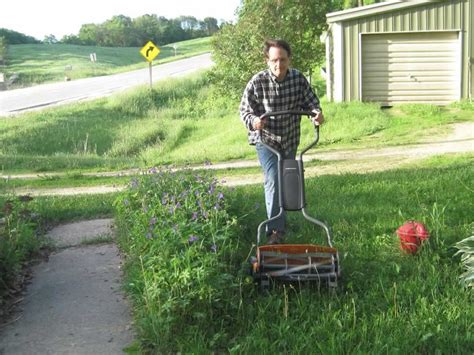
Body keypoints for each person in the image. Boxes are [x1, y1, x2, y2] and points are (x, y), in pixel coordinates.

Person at [239, 39, 324, 244]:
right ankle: (275, 232)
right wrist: (255, 121)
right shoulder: (257, 82)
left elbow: (312, 103)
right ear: (267, 60)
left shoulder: (298, 79)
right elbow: (244, 111)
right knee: (274, 178)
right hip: (266, 139)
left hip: (289, 137)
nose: (279, 65)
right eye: (275, 60)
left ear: (289, 59)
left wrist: (317, 114)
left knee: (288, 177)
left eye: (283, 60)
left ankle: (283, 218)